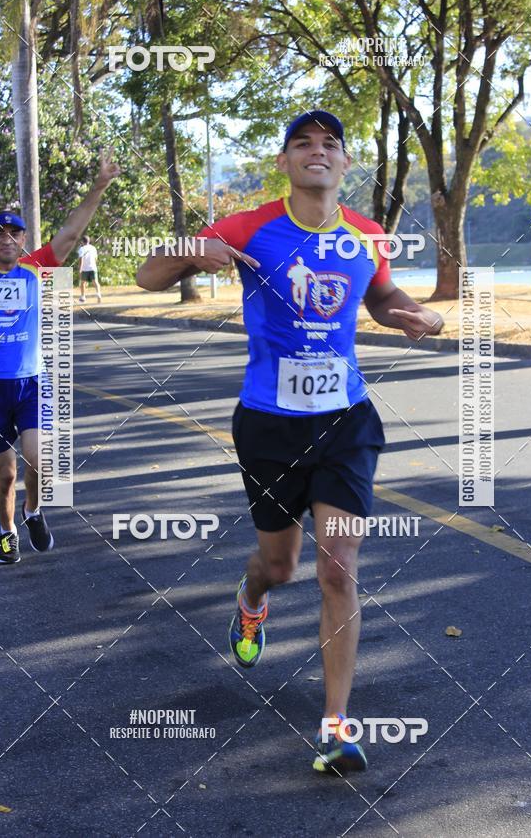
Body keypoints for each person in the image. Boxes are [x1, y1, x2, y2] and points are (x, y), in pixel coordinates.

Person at [136, 111, 443, 775]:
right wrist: (194, 249)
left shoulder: (365, 235)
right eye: (302, 143)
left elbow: (384, 300)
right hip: (269, 424)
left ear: (343, 164)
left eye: (330, 143)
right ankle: (252, 603)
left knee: (337, 565)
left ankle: (335, 727)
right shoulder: (248, 226)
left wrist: (415, 315)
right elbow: (145, 278)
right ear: (285, 163)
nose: (317, 151)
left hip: (345, 422)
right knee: (279, 566)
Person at [0, 150, 120, 564]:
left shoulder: (36, 269)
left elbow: (70, 234)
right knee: (5, 472)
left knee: (41, 460)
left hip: (32, 382)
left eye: (14, 233)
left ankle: (33, 510)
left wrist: (100, 184)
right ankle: (6, 530)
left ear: (22, 239)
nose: (7, 239)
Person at [77, 235, 101, 303]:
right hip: (93, 267)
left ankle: (83, 297)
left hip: (85, 268)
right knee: (95, 282)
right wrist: (94, 265)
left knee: (82, 283)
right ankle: (98, 294)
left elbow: (81, 259)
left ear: (82, 241)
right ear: (89, 241)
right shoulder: (93, 248)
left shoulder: (81, 249)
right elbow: (96, 258)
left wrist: (80, 269)